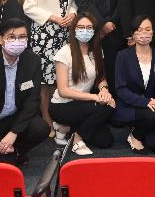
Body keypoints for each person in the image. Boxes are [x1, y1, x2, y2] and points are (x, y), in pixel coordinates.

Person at [0, 18, 48, 164]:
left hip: (13, 121)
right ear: (1, 39)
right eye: (12, 37)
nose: (17, 41)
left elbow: (33, 100)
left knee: (41, 128)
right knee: (3, 164)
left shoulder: (33, 60)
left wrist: (14, 133)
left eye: (22, 37)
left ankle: (14, 150)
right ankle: (4, 151)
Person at [23, 0, 77, 133]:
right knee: (45, 81)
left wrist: (73, 14)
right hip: (44, 33)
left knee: (60, 78)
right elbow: (29, 7)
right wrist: (53, 18)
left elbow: (74, 1)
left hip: (65, 33)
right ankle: (46, 117)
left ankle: (58, 115)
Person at [49, 13, 115, 155]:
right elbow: (63, 91)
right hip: (62, 105)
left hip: (83, 105)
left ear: (94, 31)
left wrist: (104, 90)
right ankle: (77, 138)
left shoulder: (96, 51)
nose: (85, 31)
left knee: (106, 141)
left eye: (89, 27)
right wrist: (95, 98)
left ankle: (65, 128)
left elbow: (100, 77)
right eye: (80, 27)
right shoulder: (64, 53)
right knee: (106, 107)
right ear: (74, 30)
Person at [115, 16, 155, 153]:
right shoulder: (123, 56)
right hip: (130, 106)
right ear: (133, 33)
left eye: (147, 29)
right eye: (139, 30)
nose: (143, 34)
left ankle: (139, 129)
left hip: (151, 107)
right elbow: (121, 89)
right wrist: (146, 102)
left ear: (153, 32)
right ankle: (134, 136)